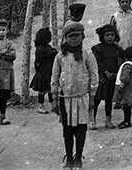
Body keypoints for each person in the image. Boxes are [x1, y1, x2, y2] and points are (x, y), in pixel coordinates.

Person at [52, 21, 98, 170]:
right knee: (67, 131)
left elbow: (94, 76)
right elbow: (54, 78)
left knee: (80, 130)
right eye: (70, 36)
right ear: (65, 37)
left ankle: (78, 158)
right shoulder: (60, 57)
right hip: (65, 100)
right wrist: (54, 99)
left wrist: (91, 97)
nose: (74, 39)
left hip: (82, 99)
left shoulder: (87, 55)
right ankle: (69, 160)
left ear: (83, 36)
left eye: (77, 35)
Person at [91, 25, 124, 129]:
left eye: (112, 35)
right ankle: (92, 120)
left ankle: (108, 120)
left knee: (109, 100)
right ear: (102, 36)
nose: (110, 37)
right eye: (107, 35)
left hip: (112, 78)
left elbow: (123, 59)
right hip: (101, 78)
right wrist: (105, 72)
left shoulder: (117, 49)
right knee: (96, 100)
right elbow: (98, 62)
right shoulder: (97, 48)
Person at [31, 27, 58, 114]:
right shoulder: (41, 49)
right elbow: (51, 54)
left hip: (48, 71)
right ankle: (41, 105)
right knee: (42, 91)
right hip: (43, 72)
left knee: (50, 89)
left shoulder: (46, 47)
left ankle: (52, 104)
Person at [112, 55, 132, 128]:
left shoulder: (127, 66)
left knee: (126, 106)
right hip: (130, 89)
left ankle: (127, 121)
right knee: (126, 107)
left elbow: (125, 78)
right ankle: (126, 120)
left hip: (126, 90)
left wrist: (121, 85)